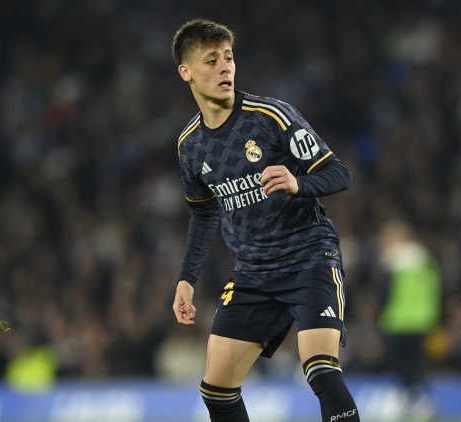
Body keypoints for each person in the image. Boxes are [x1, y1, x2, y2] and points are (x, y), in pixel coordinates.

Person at [171, 19, 359, 422]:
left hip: (309, 258)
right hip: (252, 272)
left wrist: (298, 182)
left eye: (229, 57)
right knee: (216, 390)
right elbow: (204, 211)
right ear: (186, 72)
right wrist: (186, 279)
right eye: (211, 60)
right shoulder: (190, 146)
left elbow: (338, 174)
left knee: (321, 370)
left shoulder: (270, 115)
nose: (225, 67)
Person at [377, 220, 442, 420]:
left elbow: (386, 294)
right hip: (421, 320)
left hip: (399, 321)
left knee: (402, 365)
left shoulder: (393, 262)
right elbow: (434, 290)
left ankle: (413, 402)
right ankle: (419, 402)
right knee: (416, 365)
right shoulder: (427, 259)